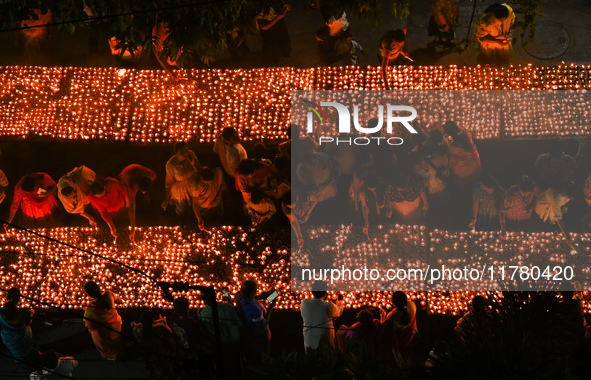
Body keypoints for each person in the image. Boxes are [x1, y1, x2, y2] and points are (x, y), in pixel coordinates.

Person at [83, 281, 123, 361]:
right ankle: (121, 353)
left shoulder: (90, 309)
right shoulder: (109, 295)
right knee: (117, 342)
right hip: (116, 327)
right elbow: (120, 301)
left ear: (89, 295)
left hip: (105, 334)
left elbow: (91, 326)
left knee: (108, 346)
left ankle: (114, 357)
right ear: (98, 288)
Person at [237, 281, 276, 362]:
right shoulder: (254, 310)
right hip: (259, 340)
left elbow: (240, 295)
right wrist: (271, 307)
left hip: (251, 337)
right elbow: (264, 324)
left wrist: (262, 296)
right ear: (254, 292)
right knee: (263, 360)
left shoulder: (240, 297)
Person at [300, 281, 344, 352]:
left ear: (312, 291)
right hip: (325, 339)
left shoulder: (304, 303)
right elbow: (338, 312)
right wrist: (340, 302)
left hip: (309, 338)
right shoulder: (328, 306)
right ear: (325, 293)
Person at [377, 291, 417, 367]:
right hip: (409, 346)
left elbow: (385, 333)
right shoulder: (412, 306)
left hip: (398, 349)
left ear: (393, 302)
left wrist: (382, 317)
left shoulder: (392, 318)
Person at [119, 164, 157, 242]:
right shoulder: (131, 183)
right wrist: (133, 228)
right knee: (127, 202)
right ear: (137, 186)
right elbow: (132, 208)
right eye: (142, 191)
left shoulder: (152, 175)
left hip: (137, 169)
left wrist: (146, 194)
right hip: (126, 172)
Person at [535, 181, 577, 249]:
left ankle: (553, 227)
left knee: (556, 218)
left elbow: (568, 200)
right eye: (570, 197)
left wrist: (565, 206)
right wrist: (567, 236)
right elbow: (559, 219)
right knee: (550, 222)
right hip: (545, 206)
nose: (571, 199)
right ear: (565, 192)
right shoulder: (555, 196)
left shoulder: (568, 191)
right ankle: (548, 228)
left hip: (554, 205)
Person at [162, 142, 201, 215]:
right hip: (179, 188)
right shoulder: (170, 165)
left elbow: (198, 170)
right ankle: (180, 218)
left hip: (192, 183)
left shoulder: (190, 155)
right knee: (181, 206)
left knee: (195, 202)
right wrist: (166, 199)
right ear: (176, 153)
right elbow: (169, 182)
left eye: (186, 151)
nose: (185, 154)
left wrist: (193, 164)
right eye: (182, 152)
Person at [0, 288, 35, 361]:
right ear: (19, 299)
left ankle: (20, 360)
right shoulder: (24, 312)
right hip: (21, 338)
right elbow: (28, 323)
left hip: (7, 338)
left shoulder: (2, 311)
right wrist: (31, 314)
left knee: (16, 351)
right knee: (27, 350)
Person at [443, 121, 481, 186]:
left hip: (463, 172)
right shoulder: (466, 132)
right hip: (475, 164)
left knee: (465, 186)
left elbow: (451, 163)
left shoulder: (453, 148)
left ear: (448, 133)